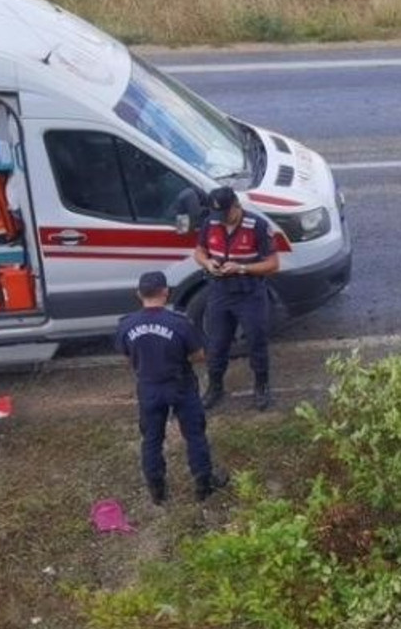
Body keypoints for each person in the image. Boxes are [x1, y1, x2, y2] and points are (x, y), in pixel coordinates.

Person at [115, 271, 228, 503]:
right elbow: (198, 356)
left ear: (139, 294)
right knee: (195, 435)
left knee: (152, 439)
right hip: (180, 386)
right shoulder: (180, 323)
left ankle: (157, 491)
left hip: (148, 387)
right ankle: (203, 485)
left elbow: (126, 357)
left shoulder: (126, 325)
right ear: (166, 292)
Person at [193, 186, 280, 411]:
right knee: (217, 343)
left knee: (256, 342)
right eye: (218, 216)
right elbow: (199, 252)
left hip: (250, 294)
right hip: (220, 292)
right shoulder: (211, 223)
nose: (222, 220)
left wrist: (242, 267)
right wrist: (207, 263)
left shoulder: (257, 226)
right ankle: (215, 387)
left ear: (236, 206)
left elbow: (273, 264)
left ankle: (261, 386)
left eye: (226, 215)